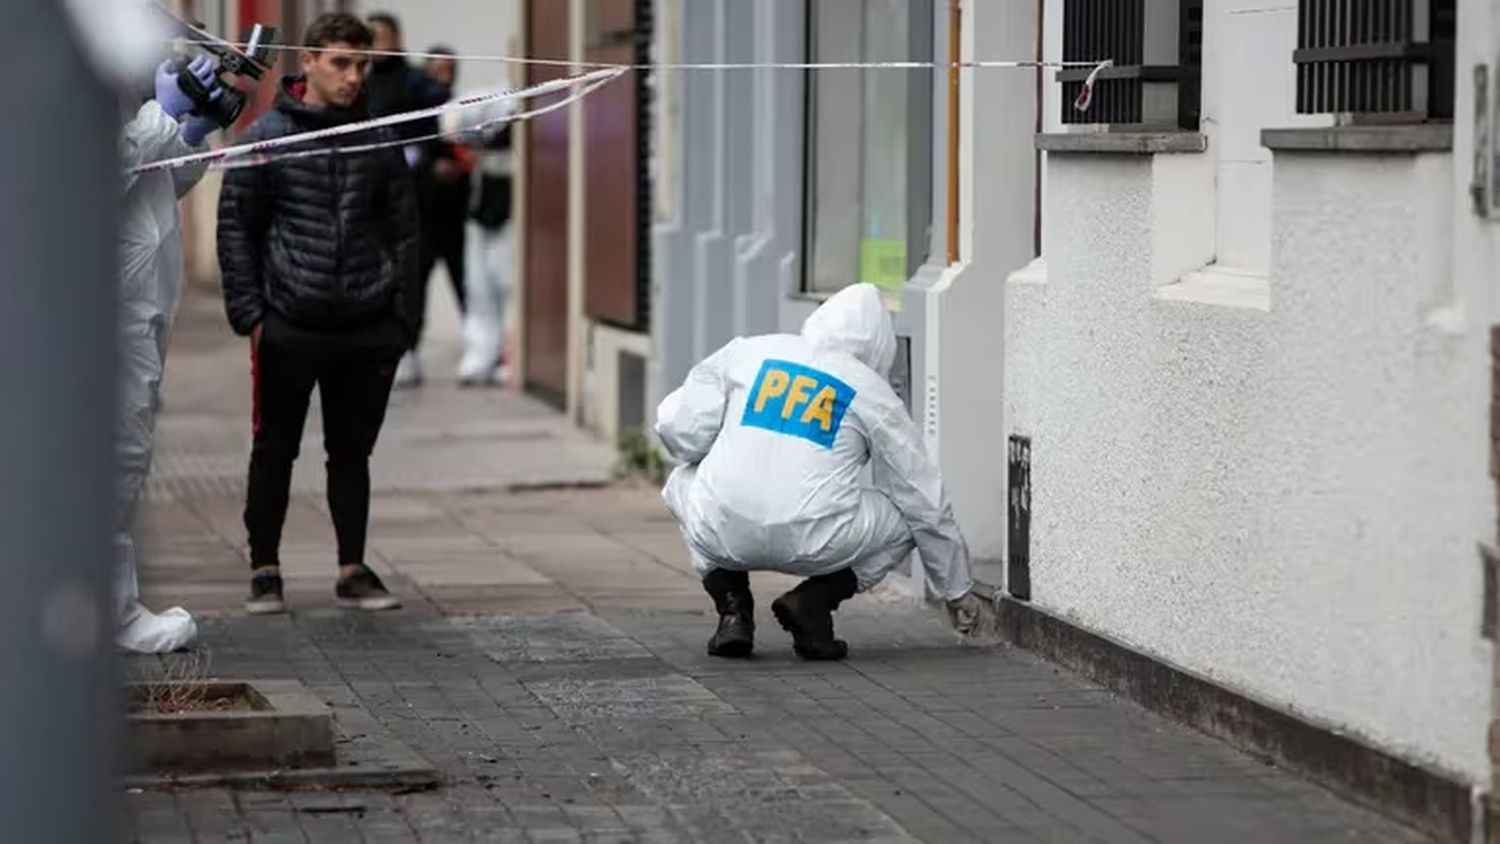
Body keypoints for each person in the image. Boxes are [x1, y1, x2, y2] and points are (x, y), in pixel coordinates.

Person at [654, 283, 988, 660]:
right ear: (880, 346)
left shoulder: (750, 351)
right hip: (817, 540)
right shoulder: (872, 390)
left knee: (683, 481)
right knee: (909, 518)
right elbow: (923, 496)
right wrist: (956, 590)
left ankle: (733, 610)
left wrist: (717, 456)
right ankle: (814, 603)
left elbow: (678, 425)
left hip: (724, 532)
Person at [217, 13, 415, 614]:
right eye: (340, 63)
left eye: (362, 65)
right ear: (309, 62)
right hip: (288, 324)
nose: (354, 77)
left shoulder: (380, 138)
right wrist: (252, 315)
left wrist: (400, 320)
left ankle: (352, 568)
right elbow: (237, 231)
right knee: (274, 449)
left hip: (365, 326)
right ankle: (265, 570)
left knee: (352, 452)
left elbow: (406, 231)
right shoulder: (267, 138)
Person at [112, 54, 225, 653]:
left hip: (138, 310)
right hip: (99, 314)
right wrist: (163, 119)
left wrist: (189, 136)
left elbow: (153, 183)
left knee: (122, 458)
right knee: (111, 460)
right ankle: (111, 614)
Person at [366, 12, 452, 389]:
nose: (376, 47)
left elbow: (442, 114)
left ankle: (408, 348)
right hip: (370, 196)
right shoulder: (360, 82)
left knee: (412, 272)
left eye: (381, 38)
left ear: (397, 38)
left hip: (414, 195)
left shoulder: (417, 81)